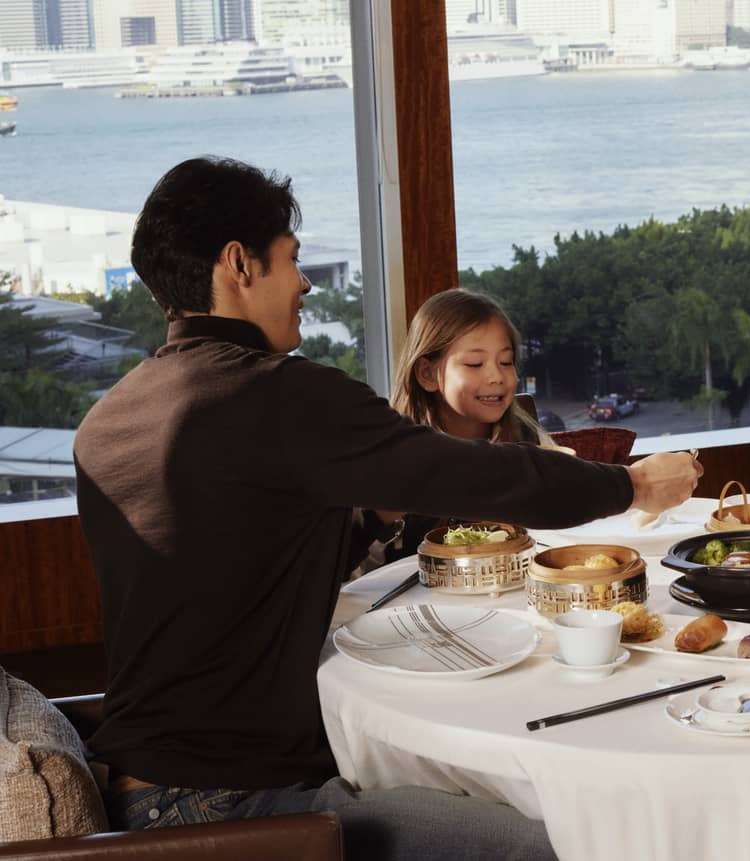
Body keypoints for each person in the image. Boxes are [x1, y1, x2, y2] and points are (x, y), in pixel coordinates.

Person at [72, 156, 702, 859]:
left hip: (135, 793)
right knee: (551, 842)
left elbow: (239, 569)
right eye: (292, 259)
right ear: (238, 265)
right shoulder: (278, 393)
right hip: (238, 805)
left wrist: (369, 512)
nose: (306, 283)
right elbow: (481, 477)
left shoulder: (106, 422)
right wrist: (632, 486)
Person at [352, 289, 562, 571]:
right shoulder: (394, 455)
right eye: (474, 364)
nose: (496, 376)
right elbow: (365, 567)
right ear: (427, 374)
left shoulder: (525, 437)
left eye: (506, 361)